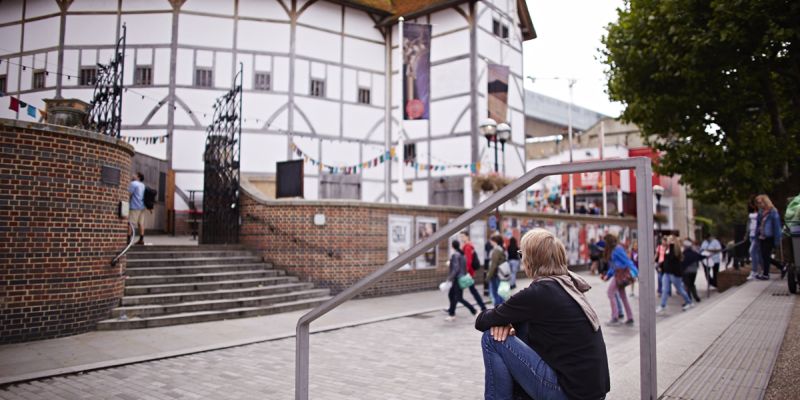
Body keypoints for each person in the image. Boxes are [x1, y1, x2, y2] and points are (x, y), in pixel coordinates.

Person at [475, 228, 610, 400]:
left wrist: (505, 321)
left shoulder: (539, 292)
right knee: (522, 326)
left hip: (569, 394)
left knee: (491, 339)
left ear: (531, 259)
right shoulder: (568, 286)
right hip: (592, 392)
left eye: (522, 254)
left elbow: (482, 321)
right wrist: (510, 322)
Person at [601, 234, 637, 325]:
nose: (604, 244)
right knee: (623, 296)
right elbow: (614, 266)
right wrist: (608, 276)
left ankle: (615, 317)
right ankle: (630, 317)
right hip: (619, 275)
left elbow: (626, 261)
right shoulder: (615, 249)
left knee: (610, 293)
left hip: (620, 275)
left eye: (605, 242)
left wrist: (636, 272)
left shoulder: (617, 249)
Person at [657, 236, 694, 313]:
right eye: (668, 240)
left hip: (674, 273)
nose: (668, 241)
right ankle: (662, 305)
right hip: (667, 273)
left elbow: (672, 259)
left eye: (670, 240)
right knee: (665, 289)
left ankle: (689, 302)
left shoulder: (675, 250)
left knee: (679, 289)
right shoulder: (667, 249)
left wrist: (671, 245)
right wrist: (660, 266)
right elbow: (666, 261)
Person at [755, 194, 786, 280]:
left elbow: (777, 227)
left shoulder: (773, 212)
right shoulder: (761, 212)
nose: (759, 205)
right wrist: (756, 234)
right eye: (758, 203)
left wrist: (777, 239)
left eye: (760, 203)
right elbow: (758, 225)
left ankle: (766, 274)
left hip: (769, 237)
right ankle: (781, 267)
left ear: (765, 202)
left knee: (765, 255)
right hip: (762, 236)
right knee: (764, 256)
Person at [445, 240, 477, 321]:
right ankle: (451, 312)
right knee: (451, 295)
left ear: (452, 246)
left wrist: (449, 278)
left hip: (457, 279)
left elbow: (456, 269)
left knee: (458, 298)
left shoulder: (455, 255)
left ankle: (474, 310)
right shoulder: (462, 254)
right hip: (461, 277)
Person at [459, 231, 487, 312]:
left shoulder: (467, 247)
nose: (461, 238)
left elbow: (468, 261)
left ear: (467, 237)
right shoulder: (466, 246)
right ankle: (482, 306)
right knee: (460, 292)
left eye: (463, 236)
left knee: (470, 291)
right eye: (460, 237)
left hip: (467, 273)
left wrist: (465, 273)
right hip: (467, 272)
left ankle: (482, 307)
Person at [486, 234, 507, 307]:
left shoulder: (496, 250)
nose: (490, 242)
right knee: (500, 292)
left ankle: (498, 308)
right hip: (499, 273)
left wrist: (488, 276)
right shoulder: (500, 248)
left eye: (491, 240)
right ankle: (501, 308)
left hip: (496, 274)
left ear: (494, 241)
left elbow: (493, 264)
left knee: (496, 292)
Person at [128, 172, 147, 245]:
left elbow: (129, 194)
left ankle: (128, 239)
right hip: (142, 207)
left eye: (135, 174)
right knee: (141, 223)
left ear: (138, 177)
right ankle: (141, 239)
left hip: (134, 206)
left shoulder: (133, 184)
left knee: (130, 223)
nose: (133, 175)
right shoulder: (143, 185)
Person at [681, 238, 703, 303]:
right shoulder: (694, 253)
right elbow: (700, 257)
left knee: (687, 285)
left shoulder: (684, 254)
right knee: (692, 284)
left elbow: (682, 263)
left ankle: (689, 298)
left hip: (686, 271)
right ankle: (696, 297)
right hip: (694, 270)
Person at [746, 197, 762, 280]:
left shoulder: (760, 212)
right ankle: (760, 271)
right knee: (757, 254)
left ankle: (754, 271)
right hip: (751, 234)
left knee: (752, 251)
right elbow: (748, 224)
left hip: (756, 235)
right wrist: (746, 234)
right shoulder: (751, 213)